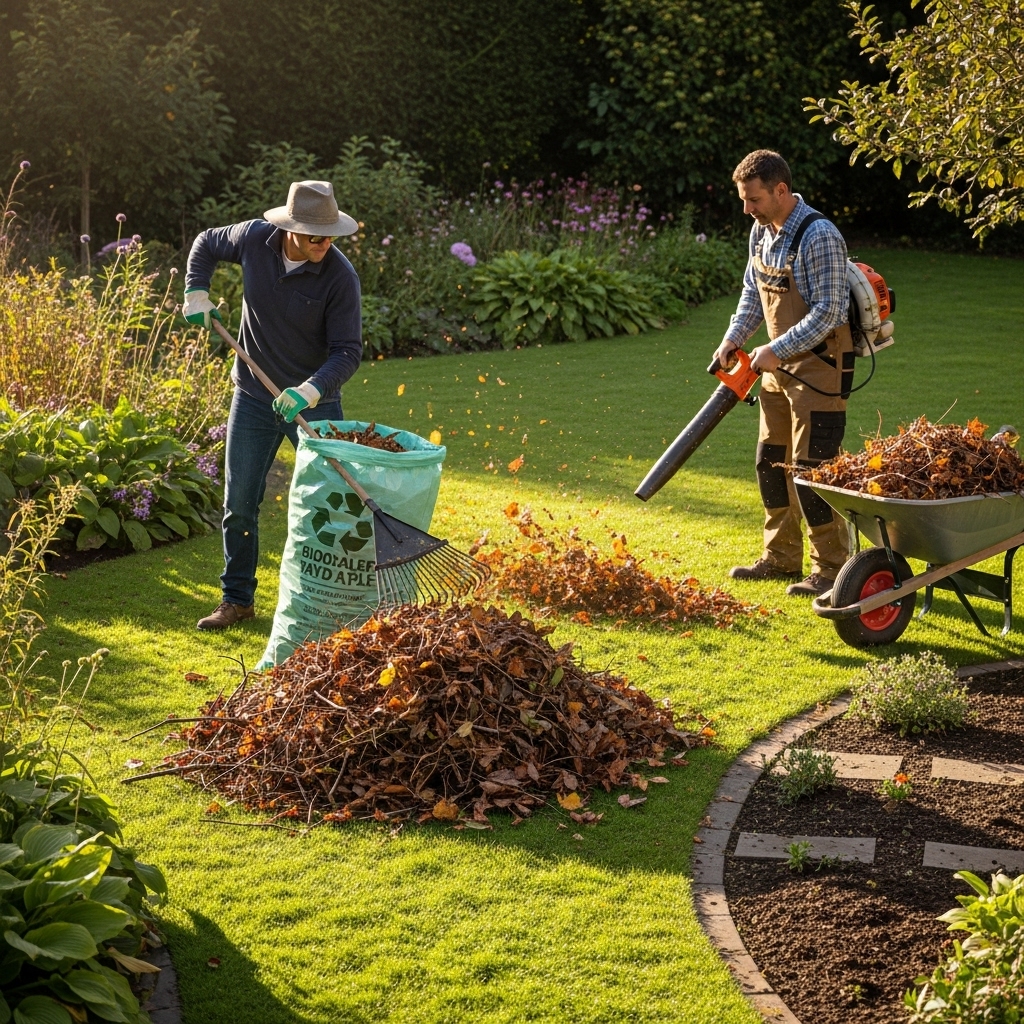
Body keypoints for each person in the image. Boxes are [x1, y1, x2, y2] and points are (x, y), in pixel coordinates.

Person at [183, 180, 362, 629]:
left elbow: (348, 351)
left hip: (313, 404)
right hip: (253, 395)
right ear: (291, 229)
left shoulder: (340, 278)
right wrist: (195, 292)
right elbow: (205, 242)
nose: (325, 244)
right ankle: (237, 599)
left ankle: (323, 604)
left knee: (327, 507)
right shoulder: (252, 239)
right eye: (316, 236)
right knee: (240, 502)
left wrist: (309, 389)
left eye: (331, 236)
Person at [712, 150, 854, 597]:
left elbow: (831, 310)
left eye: (753, 199)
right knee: (771, 464)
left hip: (820, 368)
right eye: (743, 199)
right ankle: (780, 558)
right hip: (772, 366)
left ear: (780, 190)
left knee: (812, 471)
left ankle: (833, 568)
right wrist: (734, 339)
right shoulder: (762, 232)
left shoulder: (819, 235)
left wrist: (776, 348)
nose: (746, 209)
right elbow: (752, 292)